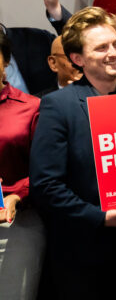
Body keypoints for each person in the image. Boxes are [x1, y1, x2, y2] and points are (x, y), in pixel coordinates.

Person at [30, 7, 116, 299]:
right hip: (84, 256)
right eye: (102, 47)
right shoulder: (58, 106)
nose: (114, 52)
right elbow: (46, 186)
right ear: (77, 59)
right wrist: (102, 217)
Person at [0, 30, 46, 300]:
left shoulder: (31, 107)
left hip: (15, 222)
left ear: (6, 61)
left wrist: (18, 195)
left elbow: (46, 170)